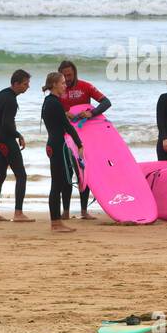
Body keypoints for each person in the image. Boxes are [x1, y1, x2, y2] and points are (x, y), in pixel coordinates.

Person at [57, 60, 112, 219]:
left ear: (75, 73)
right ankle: (65, 212)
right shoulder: (59, 89)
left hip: (85, 135)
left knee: (85, 171)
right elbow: (52, 108)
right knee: (67, 173)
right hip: (65, 136)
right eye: (64, 76)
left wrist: (92, 113)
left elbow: (106, 102)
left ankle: (83, 211)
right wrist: (64, 112)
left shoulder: (85, 86)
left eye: (70, 75)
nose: (67, 79)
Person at [41, 72, 83, 233]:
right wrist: (79, 144)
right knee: (57, 184)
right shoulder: (55, 103)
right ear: (54, 85)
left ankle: (56, 222)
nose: (65, 85)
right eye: (63, 83)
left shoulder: (48, 101)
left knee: (58, 183)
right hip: (57, 145)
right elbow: (67, 125)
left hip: (52, 143)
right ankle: (56, 223)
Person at [0, 70, 33, 222]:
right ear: (16, 83)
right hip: (6, 141)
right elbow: (7, 124)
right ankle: (18, 213)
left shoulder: (0, 95)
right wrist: (18, 135)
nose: (27, 87)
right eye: (25, 84)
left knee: (0, 176)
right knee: (21, 175)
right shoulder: (11, 100)